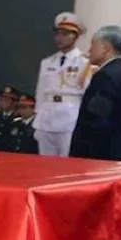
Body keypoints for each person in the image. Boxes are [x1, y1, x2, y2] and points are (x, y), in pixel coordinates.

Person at [70, 26, 121, 162]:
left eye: (93, 45)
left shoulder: (105, 76)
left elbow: (95, 121)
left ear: (105, 48)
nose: (89, 50)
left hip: (103, 156)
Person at [34, 13, 90, 157]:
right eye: (57, 34)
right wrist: (38, 116)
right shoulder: (47, 62)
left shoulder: (84, 62)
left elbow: (87, 92)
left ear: (75, 36)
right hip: (47, 116)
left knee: (67, 161)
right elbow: (40, 92)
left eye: (65, 34)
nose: (60, 38)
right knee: (45, 163)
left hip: (70, 116)